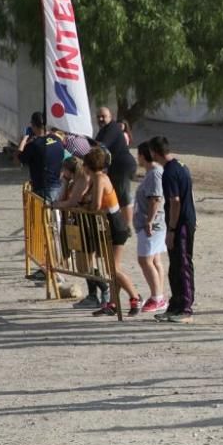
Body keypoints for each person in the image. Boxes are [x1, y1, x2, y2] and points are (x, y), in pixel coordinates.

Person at [82, 146, 142, 317]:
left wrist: (86, 205)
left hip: (116, 224)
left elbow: (95, 205)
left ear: (87, 166)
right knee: (112, 268)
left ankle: (135, 297)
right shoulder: (98, 178)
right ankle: (114, 303)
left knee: (113, 269)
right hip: (111, 223)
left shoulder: (100, 178)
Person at [149, 136, 197, 323]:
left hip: (181, 224)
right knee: (175, 265)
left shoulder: (170, 171)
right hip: (183, 222)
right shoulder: (181, 165)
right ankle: (175, 305)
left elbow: (175, 201)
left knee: (183, 264)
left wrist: (172, 229)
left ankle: (186, 307)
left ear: (154, 152)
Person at [52, 156, 110, 309]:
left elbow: (71, 202)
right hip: (79, 223)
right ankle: (93, 295)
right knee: (82, 264)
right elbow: (63, 197)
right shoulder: (74, 180)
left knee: (85, 263)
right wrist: (64, 182)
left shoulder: (83, 179)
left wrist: (57, 204)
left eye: (64, 170)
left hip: (87, 224)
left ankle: (103, 289)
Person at [134, 142, 168, 313]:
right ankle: (158, 295)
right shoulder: (152, 172)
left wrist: (149, 220)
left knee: (145, 260)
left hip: (152, 225)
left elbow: (155, 198)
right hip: (153, 223)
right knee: (154, 260)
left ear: (143, 155)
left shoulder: (155, 173)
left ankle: (157, 297)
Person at [94, 107, 137, 235]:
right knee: (116, 195)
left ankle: (127, 227)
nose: (101, 119)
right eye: (98, 117)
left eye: (104, 116)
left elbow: (101, 146)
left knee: (124, 197)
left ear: (110, 116)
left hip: (123, 166)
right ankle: (118, 224)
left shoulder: (112, 128)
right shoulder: (104, 130)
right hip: (114, 167)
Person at [18, 112, 64, 203]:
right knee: (56, 215)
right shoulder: (57, 139)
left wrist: (24, 140)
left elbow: (18, 159)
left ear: (33, 125)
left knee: (45, 216)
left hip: (42, 189)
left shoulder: (34, 145)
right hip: (59, 186)